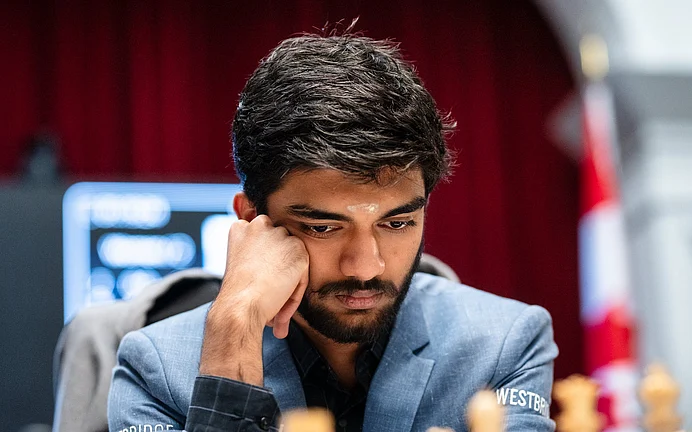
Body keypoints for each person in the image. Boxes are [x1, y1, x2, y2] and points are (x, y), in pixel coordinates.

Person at [107, 30, 558, 432]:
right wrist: (233, 333)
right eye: (323, 227)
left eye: (397, 223)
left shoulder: (506, 343)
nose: (365, 267)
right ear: (251, 221)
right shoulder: (156, 369)